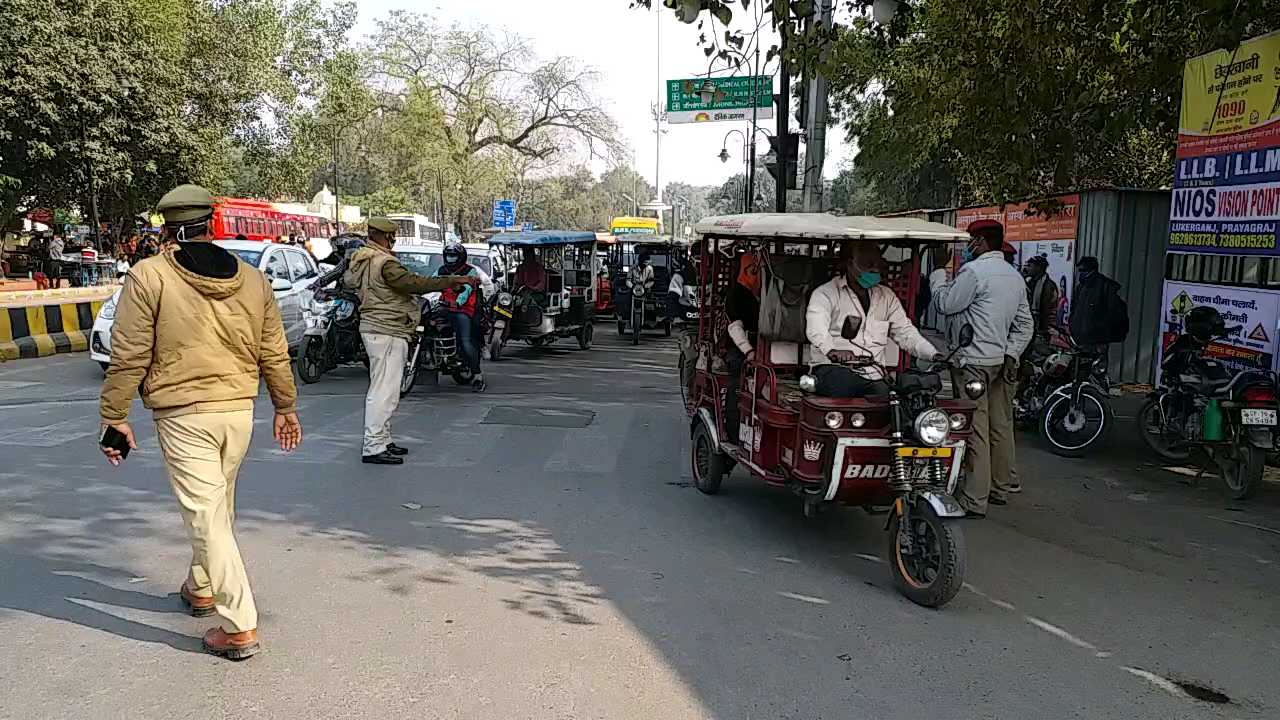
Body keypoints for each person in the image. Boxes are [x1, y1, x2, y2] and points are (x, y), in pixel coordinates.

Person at [98, 184, 302, 660]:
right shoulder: (254, 280)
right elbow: (273, 351)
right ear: (212, 224)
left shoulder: (149, 276)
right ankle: (202, 586)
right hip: (239, 412)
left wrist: (114, 416)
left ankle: (239, 626)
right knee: (217, 506)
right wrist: (285, 407)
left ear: (167, 229)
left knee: (207, 514)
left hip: (184, 415)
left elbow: (129, 355)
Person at [343, 217, 475, 465]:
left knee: (388, 390)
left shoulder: (362, 258)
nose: (393, 241)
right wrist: (452, 280)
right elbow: (414, 284)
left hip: (378, 327)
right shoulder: (385, 262)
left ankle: (383, 440)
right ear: (386, 236)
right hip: (386, 329)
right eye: (392, 236)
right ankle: (374, 446)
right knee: (384, 392)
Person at [931, 219, 1033, 516]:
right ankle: (1001, 487)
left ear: (982, 242)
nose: (968, 248)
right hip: (1001, 360)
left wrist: (938, 272)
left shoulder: (974, 272)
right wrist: (1011, 352)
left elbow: (946, 304)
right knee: (1001, 426)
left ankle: (975, 499)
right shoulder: (1014, 277)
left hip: (973, 362)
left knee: (976, 429)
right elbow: (1025, 324)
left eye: (972, 242)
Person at [806, 243, 941, 397]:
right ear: (850, 264)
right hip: (833, 368)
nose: (875, 270)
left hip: (875, 373)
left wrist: (933, 354)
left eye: (877, 264)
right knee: (843, 385)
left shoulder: (887, 296)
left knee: (898, 401)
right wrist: (832, 350)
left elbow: (905, 332)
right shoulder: (825, 293)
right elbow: (816, 329)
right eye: (868, 264)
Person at [435, 241, 489, 392]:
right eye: (448, 256)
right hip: (444, 307)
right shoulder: (441, 270)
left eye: (454, 256)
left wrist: (457, 303)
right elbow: (431, 283)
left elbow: (465, 291)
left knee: (465, 342)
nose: (451, 259)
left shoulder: (469, 272)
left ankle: (478, 376)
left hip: (463, 310)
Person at [723, 252, 761, 447]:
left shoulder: (765, 292)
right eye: (753, 269)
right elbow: (734, 328)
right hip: (739, 349)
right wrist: (749, 351)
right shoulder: (735, 294)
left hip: (768, 347)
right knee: (738, 381)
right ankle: (733, 432)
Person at [1023, 254, 1060, 353]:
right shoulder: (1029, 282)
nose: (1027, 268)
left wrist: (1043, 329)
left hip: (1041, 331)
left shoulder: (1048, 286)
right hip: (1029, 327)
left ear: (1038, 267)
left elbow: (1049, 310)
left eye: (1030, 266)